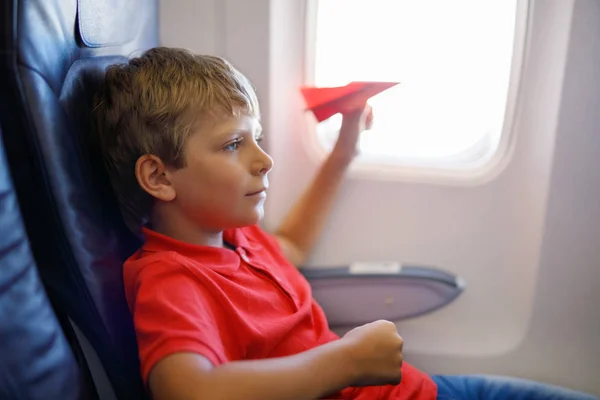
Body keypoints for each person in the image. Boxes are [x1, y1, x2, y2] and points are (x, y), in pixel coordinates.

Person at [92, 47, 599, 400]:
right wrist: (345, 362)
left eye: (258, 138)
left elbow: (289, 242)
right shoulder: (173, 280)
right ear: (159, 176)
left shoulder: (233, 235)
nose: (264, 160)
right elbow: (187, 391)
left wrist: (345, 148)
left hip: (417, 390)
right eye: (232, 144)